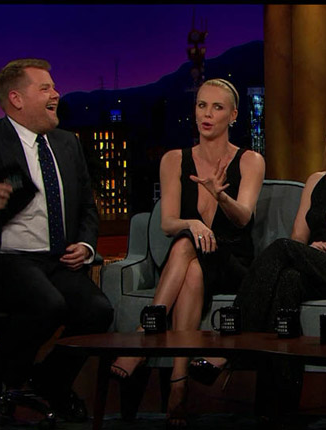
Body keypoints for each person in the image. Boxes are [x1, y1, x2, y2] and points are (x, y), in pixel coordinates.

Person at [0, 59, 114, 429]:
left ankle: (51, 380)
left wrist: (86, 244)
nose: (56, 94)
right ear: (16, 98)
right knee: (48, 305)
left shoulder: (67, 144)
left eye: (54, 87)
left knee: (97, 310)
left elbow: (87, 207)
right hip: (4, 260)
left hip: (56, 260)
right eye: (45, 88)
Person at [189, 101, 326, 419]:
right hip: (314, 267)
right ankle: (278, 411)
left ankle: (230, 342)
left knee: (282, 248)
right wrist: (312, 251)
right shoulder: (317, 181)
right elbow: (299, 240)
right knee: (288, 281)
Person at [109, 78, 266, 428]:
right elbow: (167, 223)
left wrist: (220, 195)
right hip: (193, 257)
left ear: (233, 115)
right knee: (188, 256)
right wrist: (193, 224)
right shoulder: (174, 160)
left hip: (232, 261)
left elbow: (243, 218)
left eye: (217, 107)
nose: (207, 114)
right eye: (201, 105)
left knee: (184, 246)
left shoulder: (250, 160)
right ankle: (179, 385)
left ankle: (143, 335)